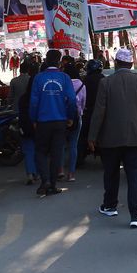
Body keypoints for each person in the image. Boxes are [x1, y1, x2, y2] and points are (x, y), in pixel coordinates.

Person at [89, 48, 137, 228]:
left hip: (110, 139)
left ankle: (110, 206)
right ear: (131, 64)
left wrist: (92, 136)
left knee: (110, 173)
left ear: (116, 63)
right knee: (134, 177)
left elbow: (99, 112)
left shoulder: (106, 83)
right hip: (136, 137)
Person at [28, 49, 78, 197]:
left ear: (45, 60)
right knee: (57, 153)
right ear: (59, 61)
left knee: (41, 151)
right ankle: (53, 184)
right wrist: (70, 117)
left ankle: (45, 181)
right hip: (60, 120)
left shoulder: (38, 78)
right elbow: (72, 100)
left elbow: (34, 102)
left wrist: (34, 119)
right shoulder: (64, 78)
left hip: (42, 121)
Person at [11, 59, 39, 185]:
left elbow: (10, 98)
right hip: (36, 124)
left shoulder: (14, 82)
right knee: (38, 149)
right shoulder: (38, 97)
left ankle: (29, 174)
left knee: (28, 150)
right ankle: (37, 173)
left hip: (22, 121)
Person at [63, 61, 87, 182]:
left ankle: (60, 170)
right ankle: (71, 173)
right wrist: (79, 113)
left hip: (62, 117)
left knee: (61, 145)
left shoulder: (62, 83)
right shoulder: (82, 85)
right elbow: (83, 103)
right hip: (77, 118)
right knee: (73, 145)